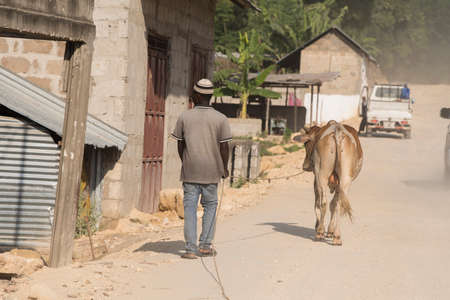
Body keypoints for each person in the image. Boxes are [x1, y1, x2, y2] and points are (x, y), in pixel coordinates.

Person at [171, 79, 231, 259]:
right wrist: (224, 168)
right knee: (210, 206)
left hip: (190, 172)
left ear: (196, 96)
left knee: (189, 209)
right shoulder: (221, 119)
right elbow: (224, 147)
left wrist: (186, 162)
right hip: (212, 172)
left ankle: (190, 249)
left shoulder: (184, 117)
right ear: (210, 96)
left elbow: (180, 145)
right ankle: (205, 245)